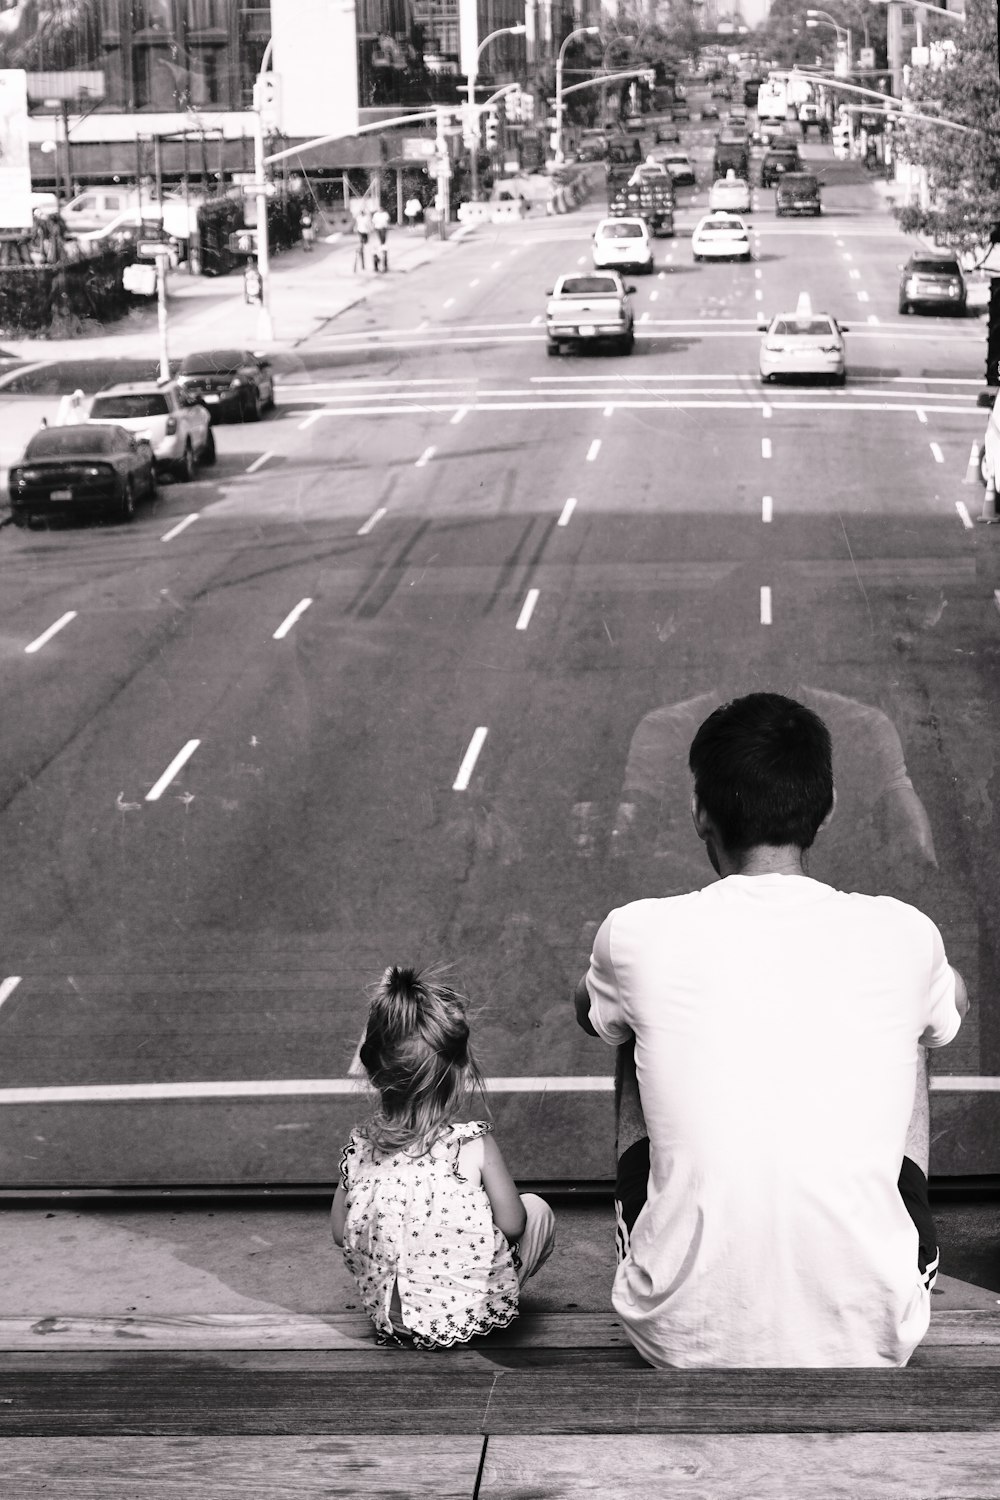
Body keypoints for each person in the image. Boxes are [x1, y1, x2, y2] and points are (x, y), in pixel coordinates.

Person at [575, 692, 967, 1371]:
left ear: (701, 810)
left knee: (630, 1026)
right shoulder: (906, 933)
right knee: (918, 1030)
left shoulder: (636, 932)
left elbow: (587, 1012)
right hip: (875, 1329)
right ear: (829, 804)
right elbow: (950, 1009)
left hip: (676, 1332)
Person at [332, 965, 555, 1348]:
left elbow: (340, 1232)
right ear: (458, 1073)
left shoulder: (361, 1149)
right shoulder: (471, 1144)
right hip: (457, 1317)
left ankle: (407, 1307)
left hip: (392, 1322)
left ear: (375, 1074)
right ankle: (475, 1309)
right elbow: (515, 1224)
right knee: (536, 1210)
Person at [371, 205, 390, 272]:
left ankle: (382, 244)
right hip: (378, 227)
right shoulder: (376, 215)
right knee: (376, 252)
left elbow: (387, 220)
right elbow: (373, 221)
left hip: (383, 227)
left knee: (383, 239)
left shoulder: (385, 214)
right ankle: (377, 267)